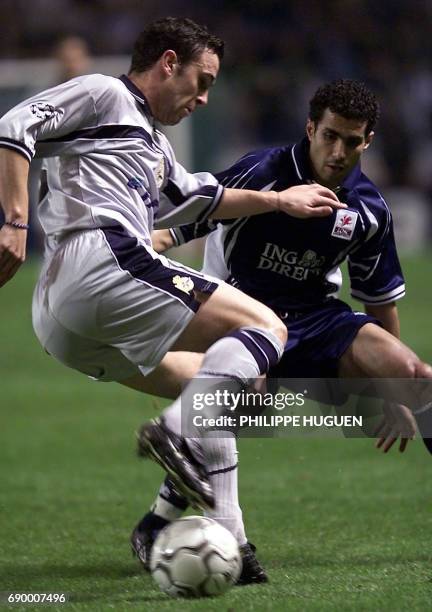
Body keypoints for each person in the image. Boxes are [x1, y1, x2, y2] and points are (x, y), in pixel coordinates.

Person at [0, 18, 346, 584]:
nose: (204, 98)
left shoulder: (153, 144)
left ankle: (223, 539)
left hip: (65, 322)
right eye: (201, 80)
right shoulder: (105, 92)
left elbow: (197, 198)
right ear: (167, 62)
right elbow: (14, 125)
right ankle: (171, 429)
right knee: (267, 328)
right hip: (100, 260)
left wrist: (279, 202)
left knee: (223, 389)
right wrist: (14, 220)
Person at [136, 79, 432, 581]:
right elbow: (202, 206)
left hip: (317, 317)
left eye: (353, 141)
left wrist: (396, 393)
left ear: (369, 141)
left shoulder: (368, 209)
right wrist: (158, 239)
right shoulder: (267, 170)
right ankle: (159, 523)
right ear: (311, 128)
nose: (339, 152)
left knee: (418, 375)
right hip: (244, 312)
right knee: (232, 407)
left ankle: (169, 521)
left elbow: (378, 299)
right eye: (330, 136)